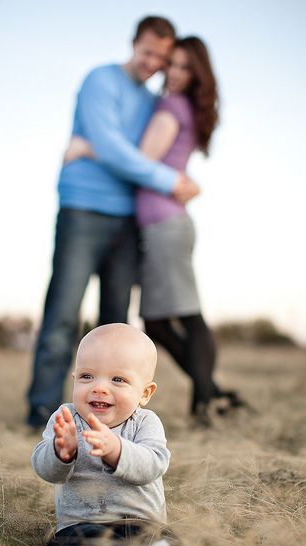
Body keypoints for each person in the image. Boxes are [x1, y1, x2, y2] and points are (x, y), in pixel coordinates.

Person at [27, 16, 200, 429]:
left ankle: (112, 419)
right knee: (64, 312)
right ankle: (41, 411)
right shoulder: (100, 80)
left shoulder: (152, 101)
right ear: (134, 43)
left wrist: (90, 148)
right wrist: (166, 179)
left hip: (128, 217)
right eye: (148, 52)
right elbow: (117, 148)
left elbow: (128, 150)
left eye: (162, 57)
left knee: (116, 322)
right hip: (83, 208)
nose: (153, 63)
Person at [65, 37, 243, 428]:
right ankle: (211, 392)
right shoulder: (183, 107)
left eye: (185, 67)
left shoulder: (171, 105)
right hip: (162, 224)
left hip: (166, 225)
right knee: (159, 321)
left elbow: (139, 161)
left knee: (188, 316)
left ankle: (205, 402)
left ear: (198, 73)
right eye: (172, 65)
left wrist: (88, 147)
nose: (175, 73)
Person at [31, 323, 173, 546]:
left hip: (140, 522)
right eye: (87, 376)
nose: (99, 388)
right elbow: (43, 468)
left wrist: (116, 451)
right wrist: (61, 453)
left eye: (118, 380)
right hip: (82, 524)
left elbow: (154, 463)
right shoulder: (66, 419)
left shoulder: (144, 423)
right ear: (74, 379)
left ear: (145, 393)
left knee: (170, 544)